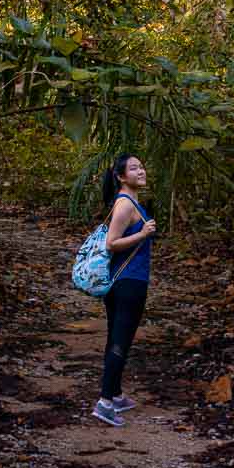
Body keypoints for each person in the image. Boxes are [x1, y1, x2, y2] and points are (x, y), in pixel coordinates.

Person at [92, 154, 157, 427]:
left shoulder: (131, 202)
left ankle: (115, 394)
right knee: (120, 340)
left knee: (118, 337)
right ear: (121, 176)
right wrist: (142, 234)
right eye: (134, 168)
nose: (141, 171)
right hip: (127, 282)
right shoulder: (125, 204)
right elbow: (111, 243)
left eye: (141, 166)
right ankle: (105, 402)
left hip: (130, 280)